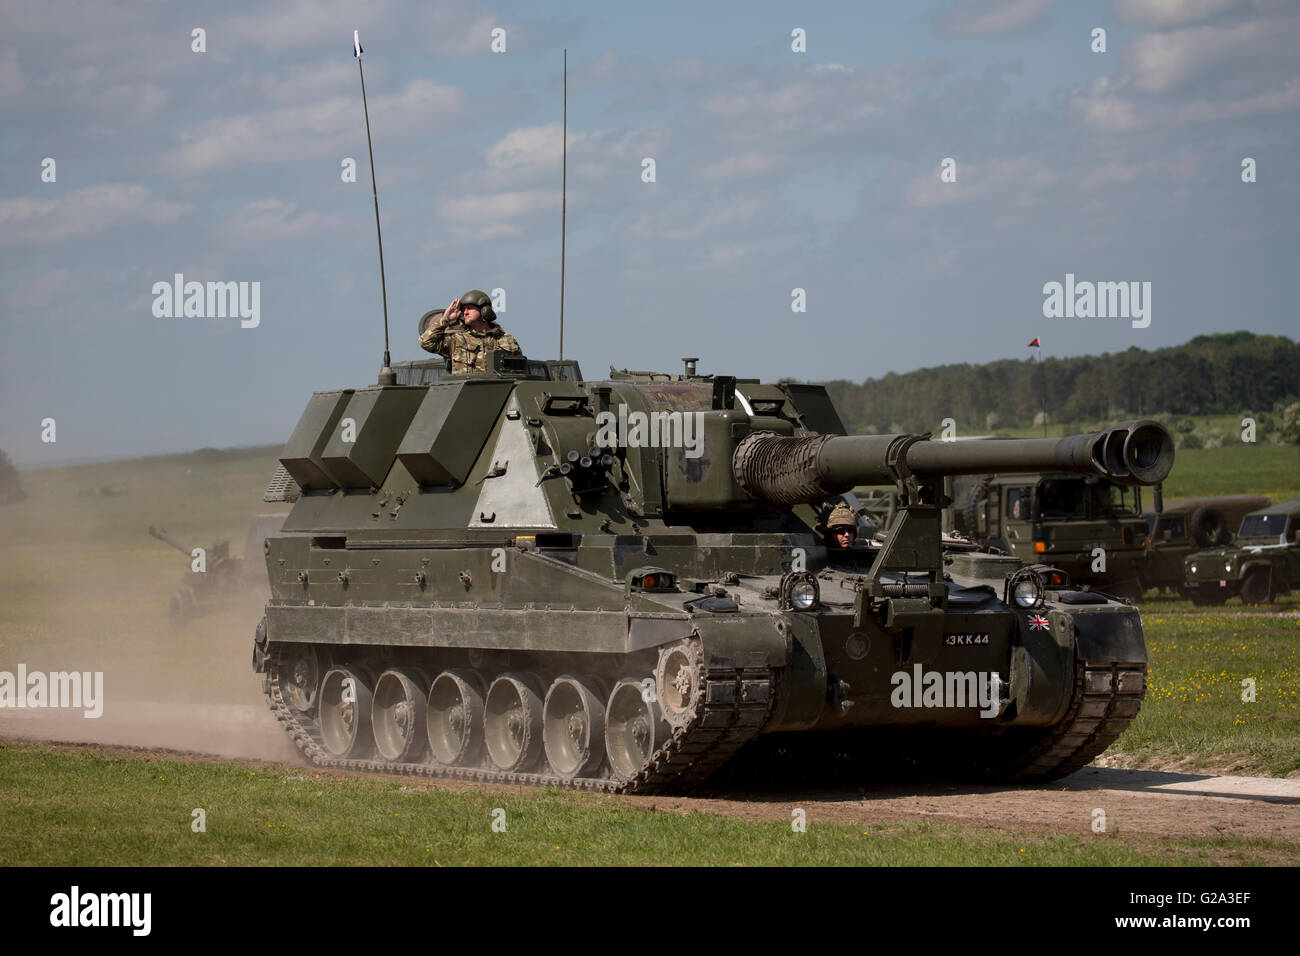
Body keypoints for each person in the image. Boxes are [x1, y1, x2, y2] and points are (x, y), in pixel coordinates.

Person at [418, 289, 522, 373]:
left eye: (469, 308)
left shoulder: (506, 339)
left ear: (484, 310)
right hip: (467, 394)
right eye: (463, 310)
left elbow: (519, 369)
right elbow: (426, 342)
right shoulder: (457, 340)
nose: (465, 312)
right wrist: (446, 319)